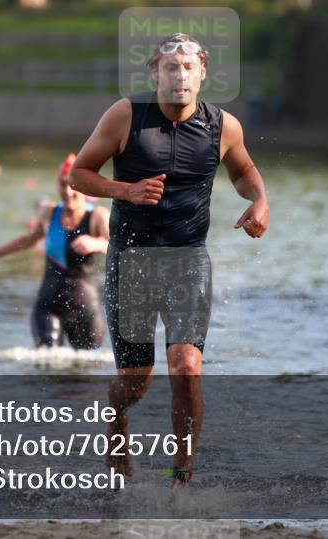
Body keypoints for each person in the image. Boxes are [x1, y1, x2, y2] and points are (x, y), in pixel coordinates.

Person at [69, 33, 269, 485]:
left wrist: (260, 199)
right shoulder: (126, 116)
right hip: (131, 262)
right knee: (135, 381)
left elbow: (243, 170)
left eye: (189, 67)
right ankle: (117, 420)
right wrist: (126, 190)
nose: (180, 76)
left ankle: (182, 475)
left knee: (186, 367)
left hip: (188, 261)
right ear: (155, 74)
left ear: (203, 73)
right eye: (171, 68)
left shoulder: (222, 126)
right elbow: (80, 174)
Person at [0, 154, 109, 350]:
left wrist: (96, 243)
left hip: (85, 309)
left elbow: (114, 245)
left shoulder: (97, 216)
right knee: (46, 360)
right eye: (62, 184)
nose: (67, 191)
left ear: (83, 186)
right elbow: (27, 241)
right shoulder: (50, 213)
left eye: (72, 185)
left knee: (87, 366)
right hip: (48, 306)